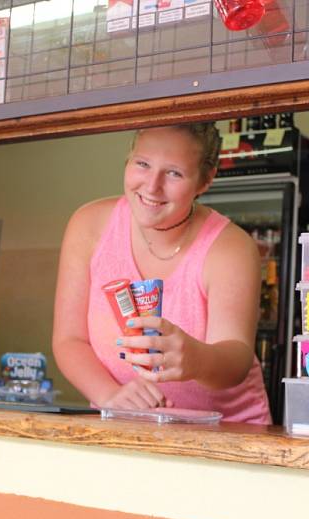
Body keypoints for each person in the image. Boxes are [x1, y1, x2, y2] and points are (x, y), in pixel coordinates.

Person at [52, 123, 271, 424]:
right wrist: (111, 397)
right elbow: (69, 340)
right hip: (123, 426)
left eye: (174, 173)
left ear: (205, 181)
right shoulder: (87, 225)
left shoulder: (231, 247)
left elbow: (237, 361)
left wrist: (195, 359)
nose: (152, 186)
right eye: (142, 164)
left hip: (224, 434)